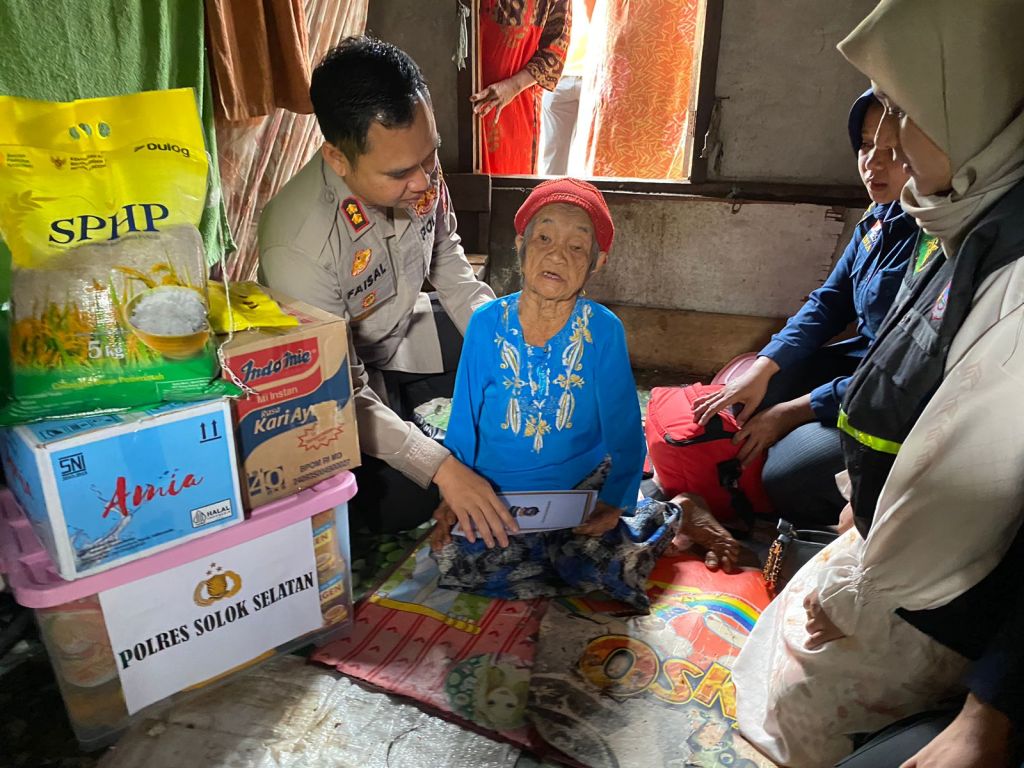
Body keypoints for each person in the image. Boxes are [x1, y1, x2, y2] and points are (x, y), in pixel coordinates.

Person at [732, 1, 1024, 766]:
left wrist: (989, 708)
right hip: (886, 496)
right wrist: (763, 368)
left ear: (969, 112)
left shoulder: (989, 254)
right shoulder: (942, 218)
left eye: (903, 114)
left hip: (945, 573)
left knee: (799, 690)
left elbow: (953, 461)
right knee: (787, 610)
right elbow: (829, 307)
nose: (884, 147)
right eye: (870, 132)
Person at [429, 179, 735, 608]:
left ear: (597, 262)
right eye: (544, 237)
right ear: (521, 245)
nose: (557, 254)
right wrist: (454, 493)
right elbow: (463, 420)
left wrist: (614, 501)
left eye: (577, 247)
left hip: (577, 486)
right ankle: (551, 548)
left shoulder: (602, 330)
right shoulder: (485, 324)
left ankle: (677, 509)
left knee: (607, 564)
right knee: (459, 564)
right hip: (495, 488)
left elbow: (626, 427)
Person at [259, 37, 514, 545]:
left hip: (401, 337)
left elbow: (449, 260)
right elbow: (339, 392)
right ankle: (420, 436)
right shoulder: (298, 243)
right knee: (408, 497)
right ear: (337, 158)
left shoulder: (417, 166)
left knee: (505, 359)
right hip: (334, 390)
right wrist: (438, 467)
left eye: (430, 155)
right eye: (400, 173)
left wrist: (507, 344)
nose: (424, 181)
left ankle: (425, 416)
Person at [692, 88, 917, 529]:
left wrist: (794, 412)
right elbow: (828, 303)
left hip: (892, 398)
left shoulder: (934, 240)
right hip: (860, 364)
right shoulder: (878, 218)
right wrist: (765, 364)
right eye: (867, 144)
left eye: (893, 150)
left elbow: (896, 373)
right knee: (750, 393)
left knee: (786, 475)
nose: (872, 162)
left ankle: (851, 513)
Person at [473, 0, 570, 175]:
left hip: (513, 108)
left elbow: (556, 49)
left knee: (507, 188)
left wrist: (513, 86)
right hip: (449, 97)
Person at [538, 0, 594, 175]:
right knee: (554, 155)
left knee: (590, 156)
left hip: (593, 78)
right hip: (559, 77)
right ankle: (552, 199)